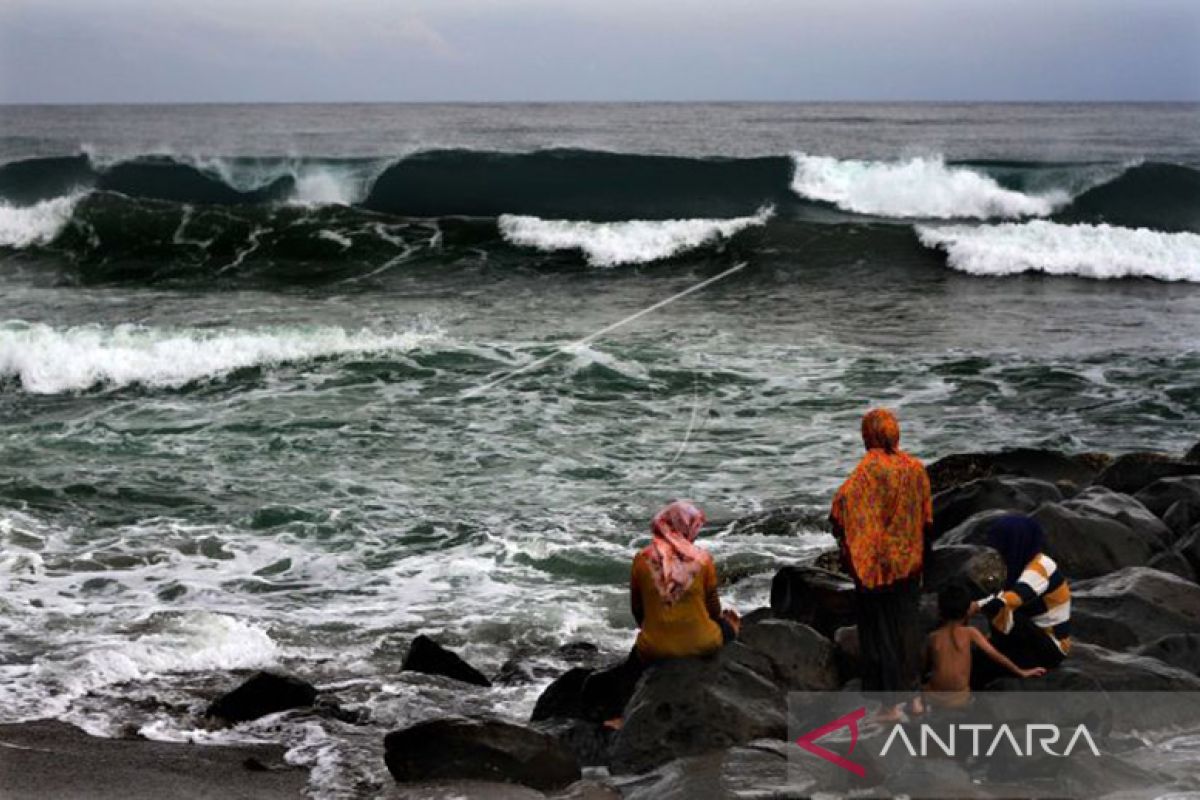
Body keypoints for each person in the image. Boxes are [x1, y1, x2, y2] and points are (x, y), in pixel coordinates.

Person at [583, 500, 739, 727]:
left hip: (654, 649)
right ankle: (732, 631)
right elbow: (713, 608)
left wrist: (656, 627)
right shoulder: (703, 560)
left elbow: (637, 609)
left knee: (632, 667)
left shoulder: (642, 559)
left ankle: (623, 716)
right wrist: (724, 625)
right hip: (702, 643)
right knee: (728, 624)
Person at [830, 408, 931, 719]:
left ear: (867, 435)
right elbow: (926, 517)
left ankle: (889, 707)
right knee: (907, 628)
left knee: (879, 633)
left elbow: (840, 510)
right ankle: (914, 700)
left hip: (873, 568)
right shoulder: (916, 468)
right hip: (910, 562)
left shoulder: (866, 471)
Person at [969, 514, 1071, 688]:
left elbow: (1015, 597)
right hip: (1028, 635)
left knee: (1001, 607)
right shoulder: (1016, 563)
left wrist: (974, 606)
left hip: (1050, 645)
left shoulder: (1041, 566)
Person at [917, 583, 1045, 713]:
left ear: (939, 611)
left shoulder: (932, 638)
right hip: (960, 699)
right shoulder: (970, 633)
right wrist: (1021, 671)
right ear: (967, 611)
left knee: (925, 687)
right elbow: (996, 655)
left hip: (934, 698)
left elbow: (922, 667)